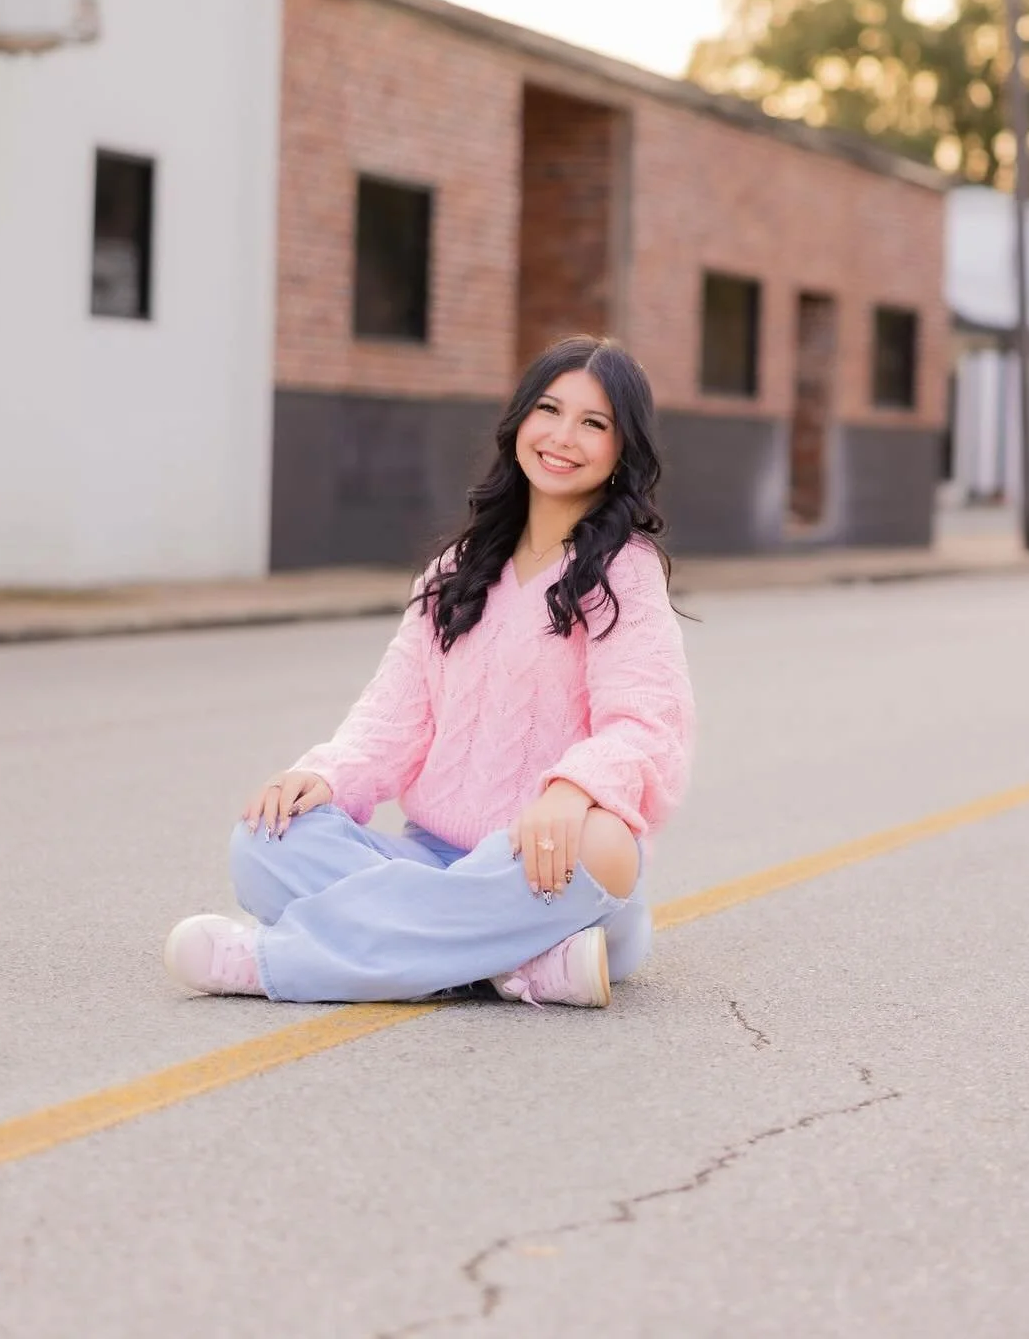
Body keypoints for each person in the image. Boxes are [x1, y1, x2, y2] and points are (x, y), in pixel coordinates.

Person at [164, 336, 695, 1008]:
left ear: (623, 450)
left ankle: (276, 960)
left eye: (594, 423)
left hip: (545, 871)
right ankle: (511, 964)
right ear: (519, 420)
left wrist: (570, 788)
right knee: (265, 837)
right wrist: (326, 774)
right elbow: (391, 720)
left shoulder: (625, 570)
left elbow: (647, 726)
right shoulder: (456, 570)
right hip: (438, 863)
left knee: (605, 836)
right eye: (550, 410)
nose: (564, 436)